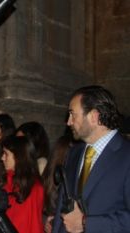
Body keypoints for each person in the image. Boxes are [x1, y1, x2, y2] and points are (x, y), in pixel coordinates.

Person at [52, 85, 130, 233]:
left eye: (72, 115)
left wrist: (86, 223)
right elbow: (62, 209)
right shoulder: (74, 153)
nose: (68, 122)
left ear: (94, 116)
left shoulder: (126, 155)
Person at [0, 136, 44, 233]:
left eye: (6, 154)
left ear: (19, 156)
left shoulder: (33, 187)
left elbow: (32, 224)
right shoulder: (6, 181)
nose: (2, 158)